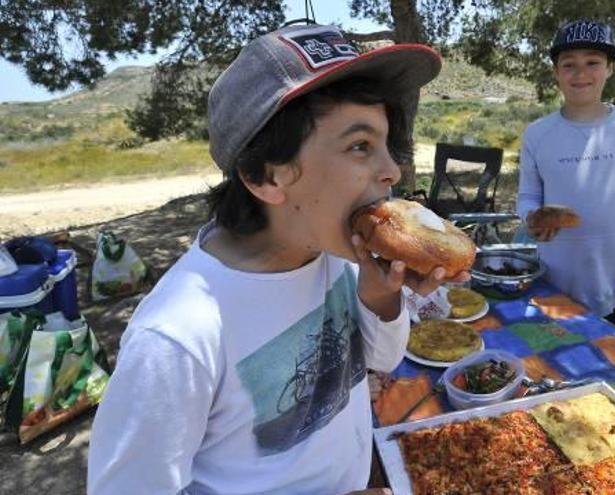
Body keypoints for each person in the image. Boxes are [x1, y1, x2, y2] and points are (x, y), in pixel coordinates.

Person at [87, 23, 465, 494]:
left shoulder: (331, 253)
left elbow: (382, 360)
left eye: (386, 145)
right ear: (265, 175)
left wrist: (381, 298)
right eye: (360, 146)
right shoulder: (177, 337)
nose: (392, 171)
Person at [516, 19, 615, 329]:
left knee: (607, 359)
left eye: (593, 62)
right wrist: (533, 218)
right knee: (556, 358)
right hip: (555, 276)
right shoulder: (537, 134)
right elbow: (528, 196)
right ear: (556, 72)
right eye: (568, 64)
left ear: (610, 68)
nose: (581, 73)